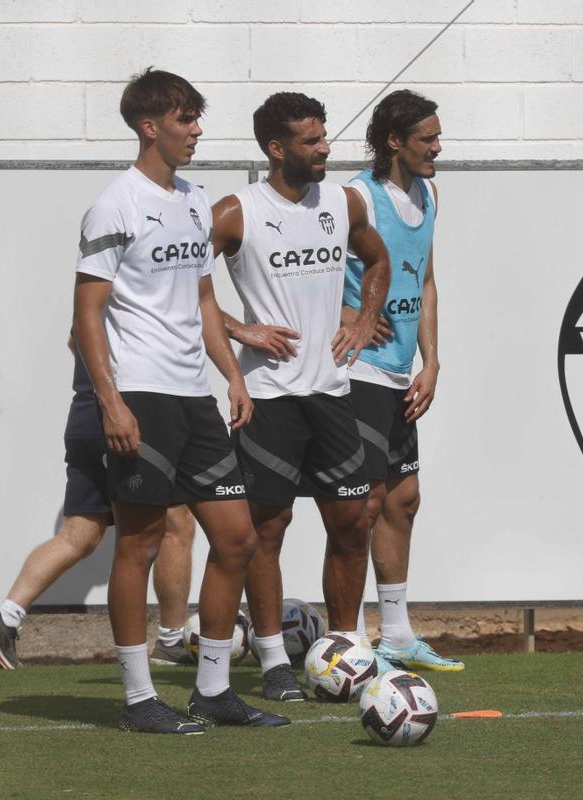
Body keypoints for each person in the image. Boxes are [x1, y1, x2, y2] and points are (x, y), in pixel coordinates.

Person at [72, 68, 287, 734]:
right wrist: (110, 402)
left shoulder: (196, 200)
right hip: (140, 392)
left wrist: (233, 376)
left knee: (237, 538)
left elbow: (202, 301)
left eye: (197, 117)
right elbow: (86, 313)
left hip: (195, 397)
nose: (196, 130)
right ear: (149, 126)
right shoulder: (116, 203)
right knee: (136, 546)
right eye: (185, 119)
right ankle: (139, 698)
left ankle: (214, 688)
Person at [212, 92, 392, 702]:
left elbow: (377, 260)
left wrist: (365, 321)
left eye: (324, 138)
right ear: (276, 148)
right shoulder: (238, 211)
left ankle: (348, 647)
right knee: (268, 527)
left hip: (331, 393)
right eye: (312, 141)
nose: (325, 149)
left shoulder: (342, 202)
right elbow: (182, 282)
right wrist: (240, 330)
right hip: (268, 397)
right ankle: (271, 660)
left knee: (352, 521)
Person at [0, 341, 198, 671]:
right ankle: (172, 640)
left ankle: (6, 617)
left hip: (85, 417)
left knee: (79, 534)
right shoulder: (134, 296)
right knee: (175, 523)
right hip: (127, 416)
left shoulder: (92, 298)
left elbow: (76, 339)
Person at [342, 90, 463, 671]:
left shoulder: (431, 193)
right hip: (356, 370)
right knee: (362, 504)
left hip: (400, 374)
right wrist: (348, 319)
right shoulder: (356, 197)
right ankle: (350, 641)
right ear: (394, 141)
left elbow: (428, 280)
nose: (438, 147)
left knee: (404, 500)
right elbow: (309, 272)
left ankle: (396, 635)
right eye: (427, 138)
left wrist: (431, 362)